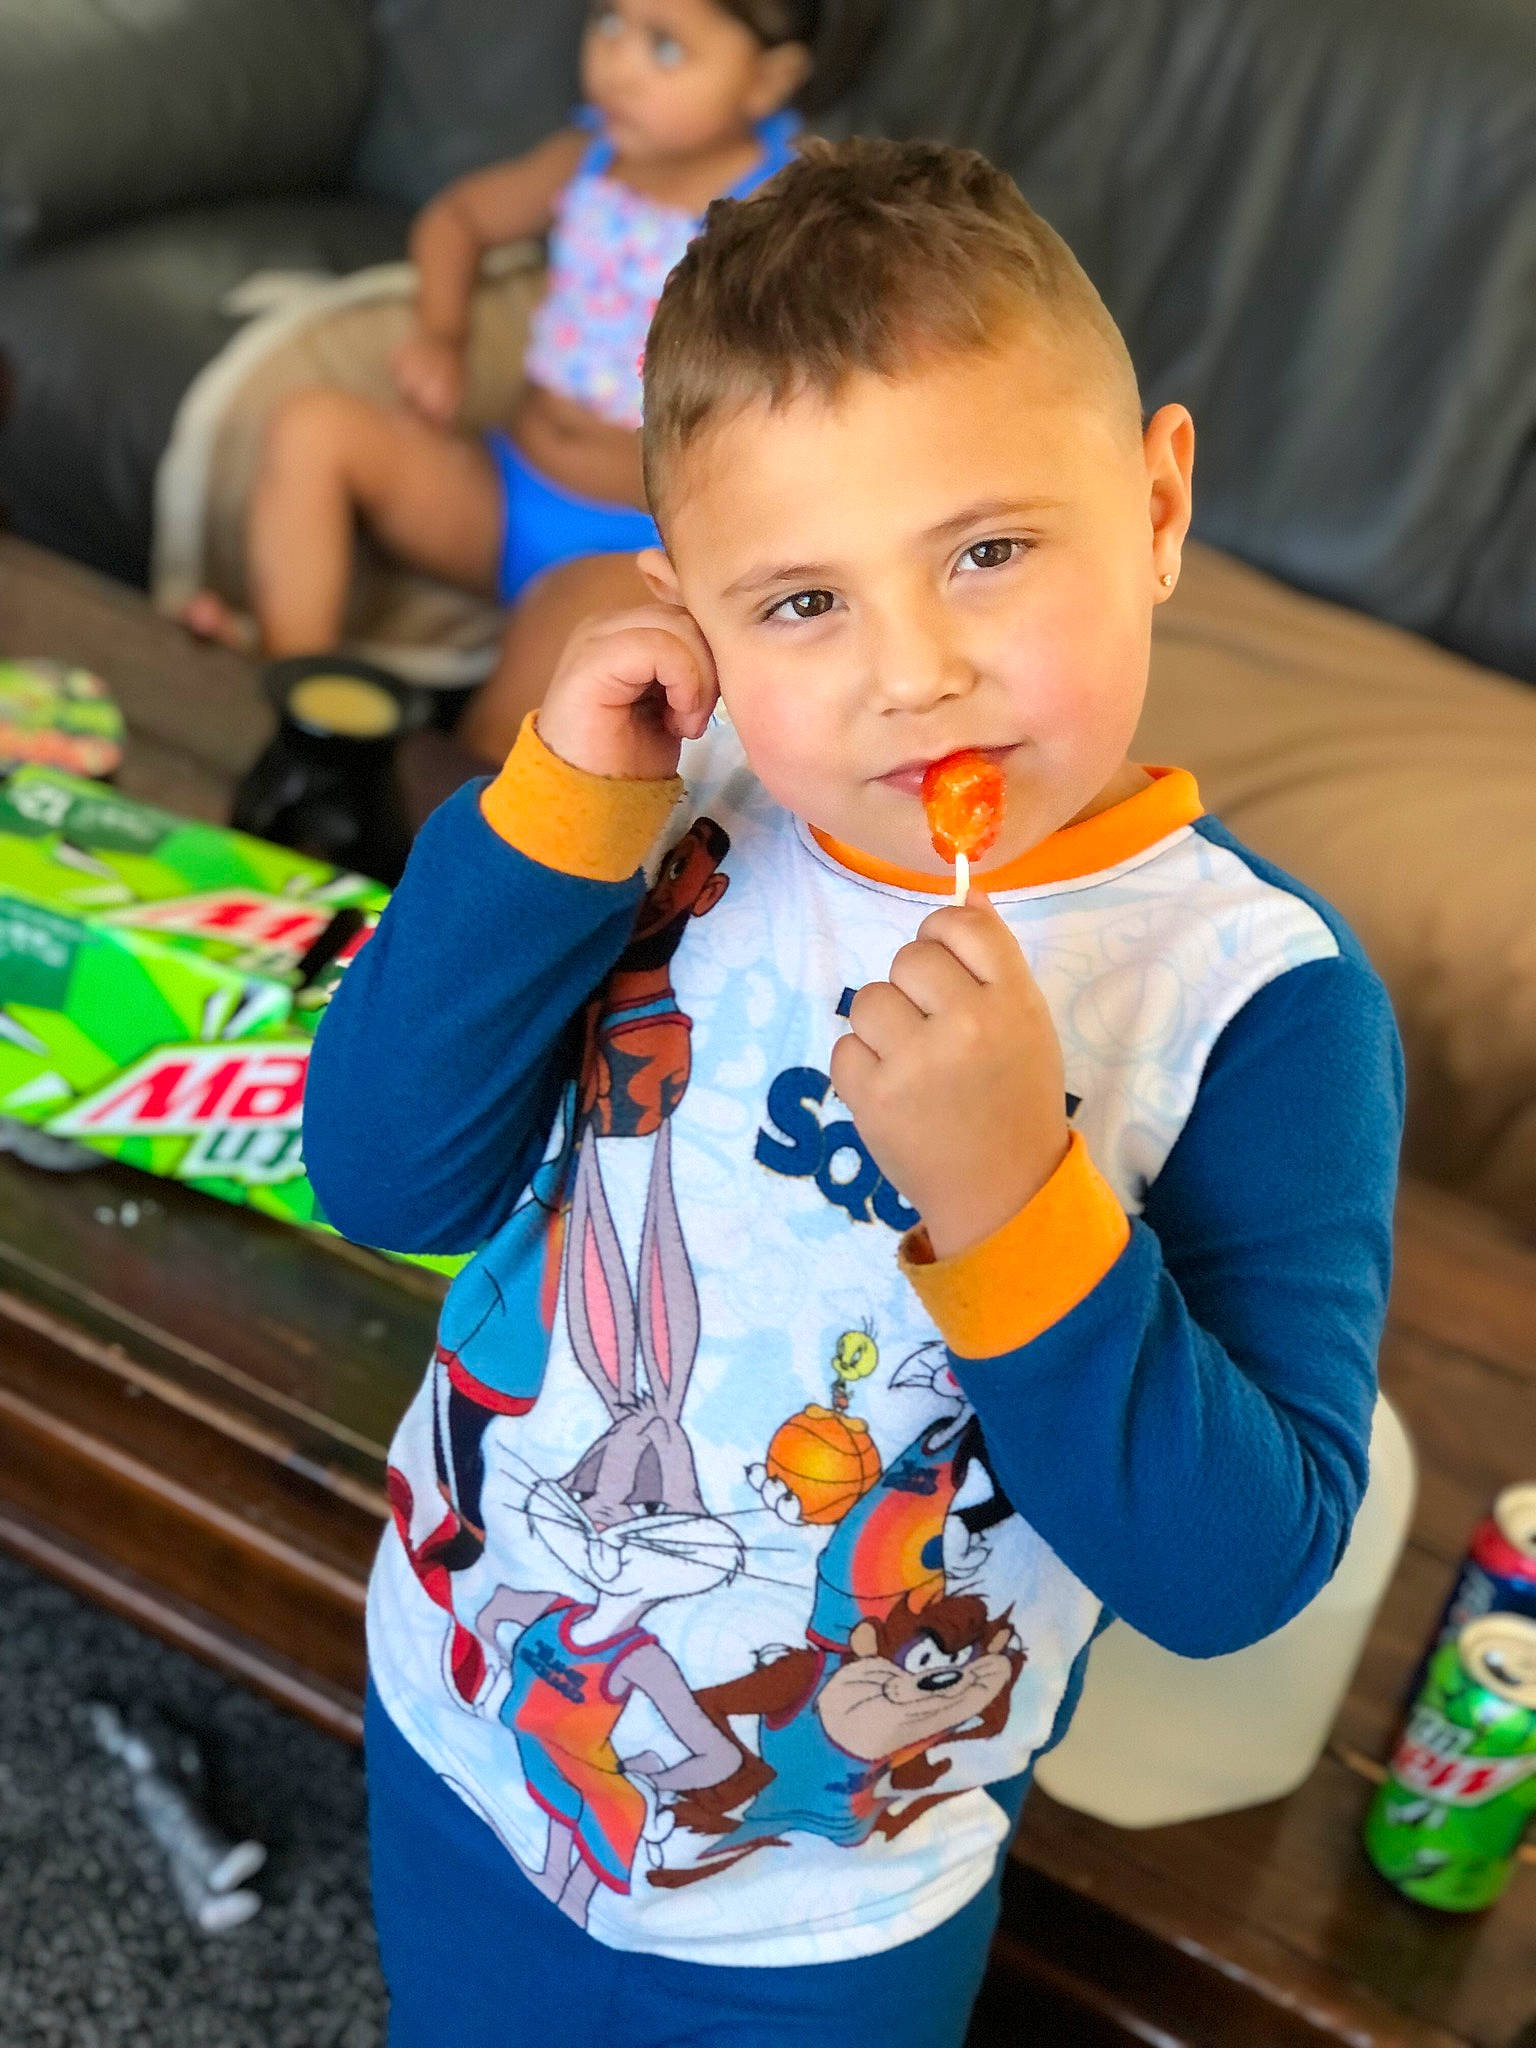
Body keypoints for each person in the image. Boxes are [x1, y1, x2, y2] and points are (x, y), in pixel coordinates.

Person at [303, 139, 1403, 2048]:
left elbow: (1241, 1570)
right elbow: (385, 1173)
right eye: (800, 602)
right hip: (468, 1709)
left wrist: (1013, 1197)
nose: (916, 673)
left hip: (830, 1903)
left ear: (1153, 503)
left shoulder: (1258, 1010)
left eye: (987, 549)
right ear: (691, 614)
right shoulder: (659, 818)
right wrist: (553, 819)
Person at [180, 0, 883, 763]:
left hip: (636, 550)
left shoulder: (781, 209)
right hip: (507, 493)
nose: (618, 64)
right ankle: (300, 691)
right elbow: (457, 220)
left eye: (666, 48)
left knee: (513, 735)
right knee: (312, 426)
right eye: (609, 24)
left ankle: (436, 820)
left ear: (767, 80)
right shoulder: (587, 153)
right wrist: (441, 337)